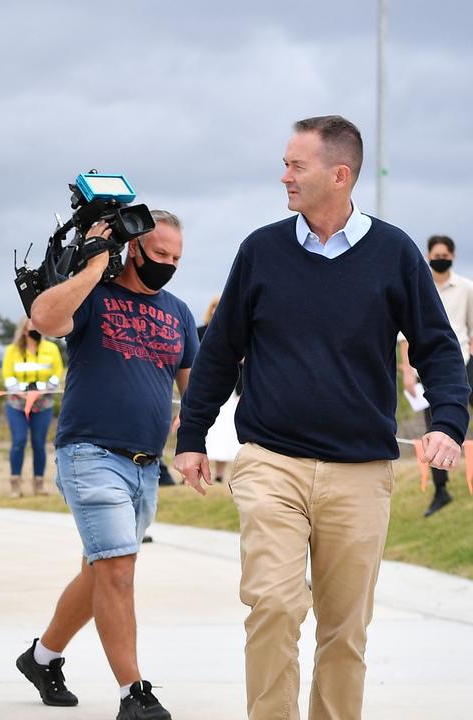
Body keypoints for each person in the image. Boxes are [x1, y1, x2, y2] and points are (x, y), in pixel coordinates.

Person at [175, 116, 469, 720]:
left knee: (344, 629)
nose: (283, 175)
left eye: (295, 165)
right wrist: (193, 435)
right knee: (275, 606)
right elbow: (222, 347)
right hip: (271, 462)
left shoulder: (394, 253)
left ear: (339, 174)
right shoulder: (260, 249)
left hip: (360, 472)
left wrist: (448, 421)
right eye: (285, 163)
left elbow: (438, 346)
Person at [16, 210, 194, 720]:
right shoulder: (94, 294)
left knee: (101, 571)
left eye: (177, 258)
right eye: (160, 253)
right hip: (90, 453)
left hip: (145, 465)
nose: (169, 264)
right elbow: (44, 320)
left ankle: (42, 657)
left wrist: (195, 442)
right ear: (134, 247)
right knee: (117, 568)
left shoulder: (178, 312)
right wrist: (94, 267)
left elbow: (192, 389)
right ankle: (133, 695)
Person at [398, 234, 473, 516]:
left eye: (445, 255)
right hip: (426, 369)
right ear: (429, 255)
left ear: (452, 256)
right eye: (435, 255)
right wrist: (407, 371)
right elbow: (405, 335)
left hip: (462, 363)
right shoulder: (420, 286)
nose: (440, 259)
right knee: (435, 428)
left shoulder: (466, 288)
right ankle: (441, 489)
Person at [1, 317, 64, 497]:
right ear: (23, 330)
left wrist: (44, 389)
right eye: (32, 327)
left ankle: (39, 484)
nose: (36, 330)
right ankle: (15, 484)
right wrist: (19, 391)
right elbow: (7, 374)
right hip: (17, 402)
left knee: (39, 443)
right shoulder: (12, 351)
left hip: (43, 403)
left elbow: (57, 371)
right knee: (19, 442)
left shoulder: (51, 348)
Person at [197, 295, 240, 483]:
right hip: (205, 387)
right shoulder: (199, 332)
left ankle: (220, 475)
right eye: (214, 306)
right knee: (204, 432)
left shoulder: (236, 334)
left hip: (230, 390)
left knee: (224, 433)